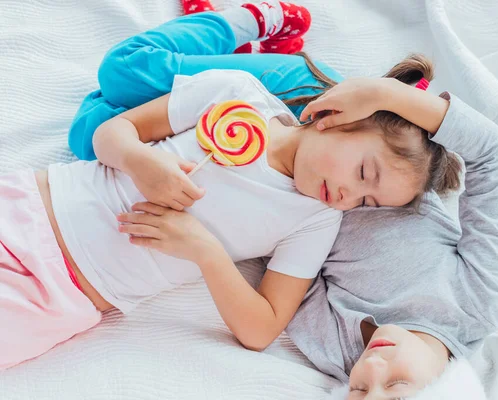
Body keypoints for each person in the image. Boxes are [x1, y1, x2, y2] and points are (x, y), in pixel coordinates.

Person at [0, 1, 462, 376]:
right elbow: (110, 135)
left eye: (367, 202)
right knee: (120, 81)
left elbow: (261, 330)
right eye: (363, 175)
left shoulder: (315, 220)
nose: (349, 198)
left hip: (64, 295)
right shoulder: (235, 95)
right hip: (29, 210)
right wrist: (139, 161)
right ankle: (237, 20)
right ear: (338, 116)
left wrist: (206, 251)